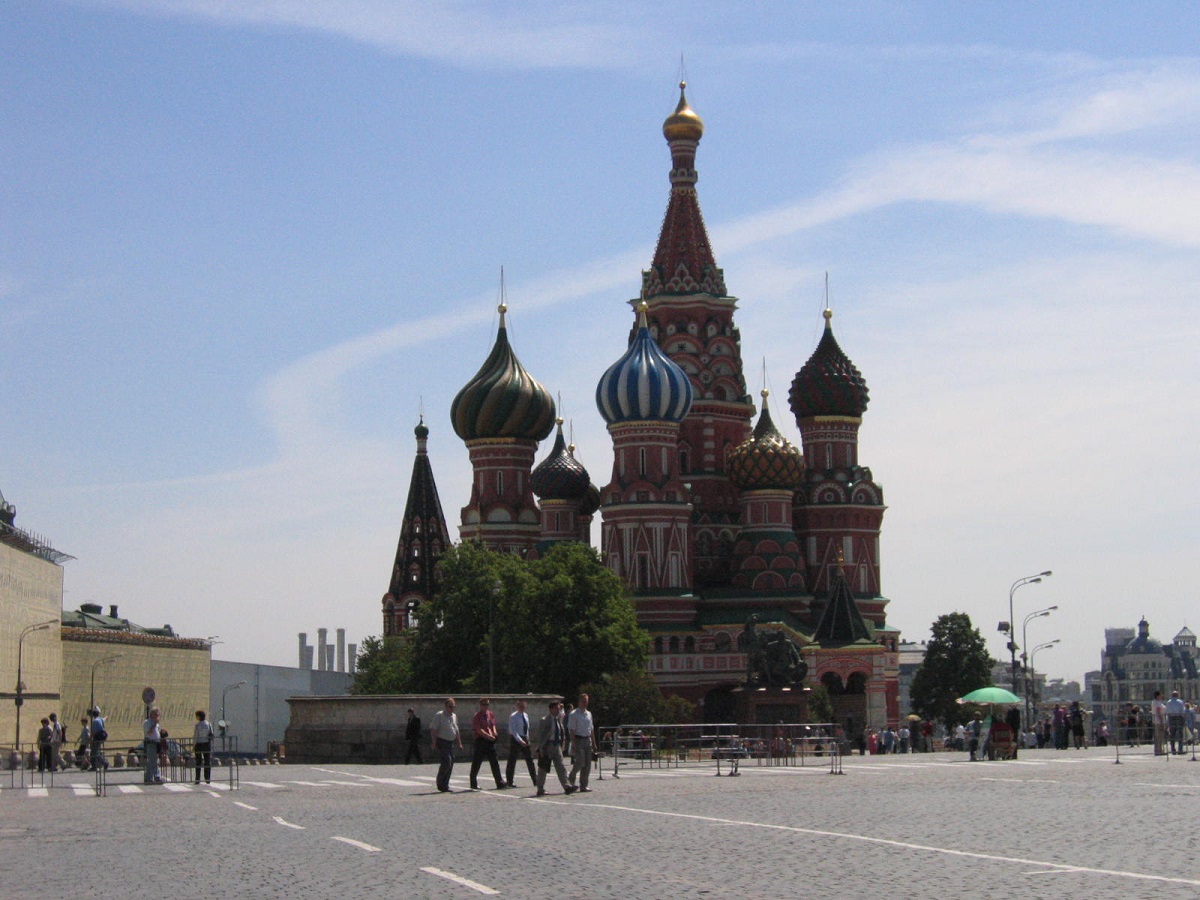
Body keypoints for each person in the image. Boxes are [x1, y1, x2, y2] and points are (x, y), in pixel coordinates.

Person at [535, 699, 575, 797]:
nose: (559, 710)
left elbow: (561, 732)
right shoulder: (544, 720)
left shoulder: (558, 719)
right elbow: (540, 736)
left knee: (561, 767)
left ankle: (567, 786)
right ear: (551, 709)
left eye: (559, 708)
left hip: (556, 745)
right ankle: (540, 789)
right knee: (543, 768)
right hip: (547, 746)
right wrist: (541, 749)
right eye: (557, 708)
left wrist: (563, 743)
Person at [468, 698, 506, 790]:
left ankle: (499, 782)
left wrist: (494, 732)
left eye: (487, 704)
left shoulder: (490, 714)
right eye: (484, 705)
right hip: (481, 740)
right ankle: (473, 783)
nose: (486, 706)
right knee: (477, 762)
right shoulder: (477, 716)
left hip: (490, 741)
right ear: (480, 705)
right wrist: (488, 736)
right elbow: (478, 730)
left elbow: (493, 724)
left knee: (494, 762)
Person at [567, 693, 598, 792]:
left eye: (587, 701)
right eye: (584, 701)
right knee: (580, 762)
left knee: (587, 764)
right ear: (579, 702)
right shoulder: (574, 714)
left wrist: (594, 742)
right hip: (578, 739)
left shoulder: (589, 714)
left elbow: (591, 729)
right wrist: (573, 743)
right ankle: (572, 776)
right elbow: (571, 730)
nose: (586, 703)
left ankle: (583, 785)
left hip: (587, 739)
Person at [430, 698, 462, 792]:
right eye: (450, 706)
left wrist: (459, 742)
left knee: (451, 763)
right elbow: (433, 729)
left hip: (450, 742)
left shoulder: (454, 716)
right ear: (446, 706)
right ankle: (440, 783)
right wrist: (434, 742)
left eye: (454, 707)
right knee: (447, 761)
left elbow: (456, 730)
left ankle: (445, 785)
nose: (452, 708)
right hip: (442, 741)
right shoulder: (439, 715)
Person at [505, 699, 537, 788]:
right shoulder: (513, 716)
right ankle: (509, 781)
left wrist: (527, 739)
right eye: (520, 706)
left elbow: (527, 729)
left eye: (524, 706)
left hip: (524, 738)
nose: (522, 708)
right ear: (517, 706)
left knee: (530, 760)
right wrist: (520, 740)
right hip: (516, 739)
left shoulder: (526, 715)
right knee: (512, 760)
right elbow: (513, 730)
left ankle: (535, 780)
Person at [143, 706, 164, 784]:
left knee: (152, 761)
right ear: (151, 714)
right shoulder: (147, 722)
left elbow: (157, 732)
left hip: (156, 743)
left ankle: (148, 778)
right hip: (150, 743)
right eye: (156, 714)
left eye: (158, 714)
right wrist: (155, 724)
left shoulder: (157, 724)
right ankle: (157, 777)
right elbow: (149, 733)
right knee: (153, 761)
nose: (157, 716)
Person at [193, 710, 214, 784]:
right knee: (207, 762)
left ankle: (197, 779)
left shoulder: (198, 725)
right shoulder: (209, 724)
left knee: (198, 762)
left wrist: (193, 745)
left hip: (199, 744)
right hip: (207, 744)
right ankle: (207, 779)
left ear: (199, 716)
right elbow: (211, 734)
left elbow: (196, 736)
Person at [1165, 690, 1186, 755]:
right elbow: (1182, 711)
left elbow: (1167, 711)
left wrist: (1167, 720)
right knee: (1180, 734)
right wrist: (1183, 719)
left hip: (1171, 717)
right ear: (1177, 695)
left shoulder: (1168, 702)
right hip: (1178, 717)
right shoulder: (1180, 702)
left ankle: (1173, 750)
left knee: (1172, 734)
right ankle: (1180, 749)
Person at [89, 707, 108, 771]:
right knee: (97, 752)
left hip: (97, 738)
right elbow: (104, 719)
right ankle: (103, 762)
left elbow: (93, 732)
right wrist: (106, 716)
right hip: (101, 738)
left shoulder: (95, 721)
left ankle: (96, 766)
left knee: (94, 753)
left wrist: (90, 738)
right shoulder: (100, 719)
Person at [1152, 691, 1168, 756]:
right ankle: (1159, 750)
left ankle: (1159, 750)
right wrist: (1161, 721)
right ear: (1157, 696)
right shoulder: (1157, 703)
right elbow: (1158, 712)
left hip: (1158, 721)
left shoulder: (1157, 702)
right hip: (1159, 721)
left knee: (1159, 736)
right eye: (1161, 695)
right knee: (1159, 736)